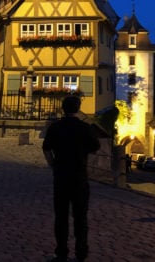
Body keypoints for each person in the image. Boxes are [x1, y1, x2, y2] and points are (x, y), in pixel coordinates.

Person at [43, 95, 100, 262]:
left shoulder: (56, 127)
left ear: (63, 108)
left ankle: (61, 252)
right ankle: (81, 252)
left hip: (61, 176)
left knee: (61, 217)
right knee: (80, 217)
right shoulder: (85, 128)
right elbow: (95, 147)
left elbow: (46, 149)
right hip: (79, 177)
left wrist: (53, 164)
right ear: (78, 108)